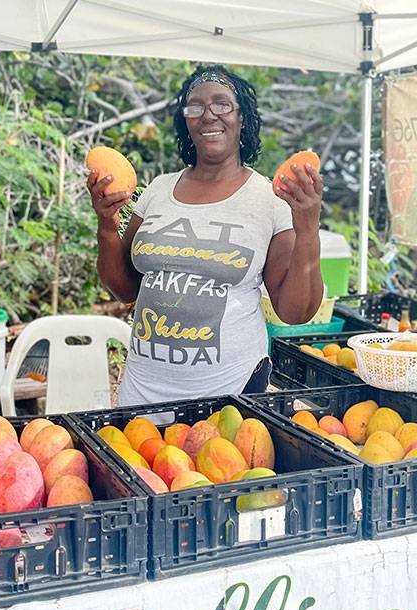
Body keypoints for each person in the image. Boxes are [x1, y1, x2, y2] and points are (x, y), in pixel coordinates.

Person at [88, 64, 324, 406]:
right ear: (185, 121)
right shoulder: (158, 190)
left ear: (242, 117)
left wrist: (307, 228)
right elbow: (124, 288)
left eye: (222, 104)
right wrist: (106, 222)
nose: (208, 115)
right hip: (142, 389)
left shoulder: (268, 199)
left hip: (230, 391)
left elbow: (295, 312)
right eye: (195, 106)